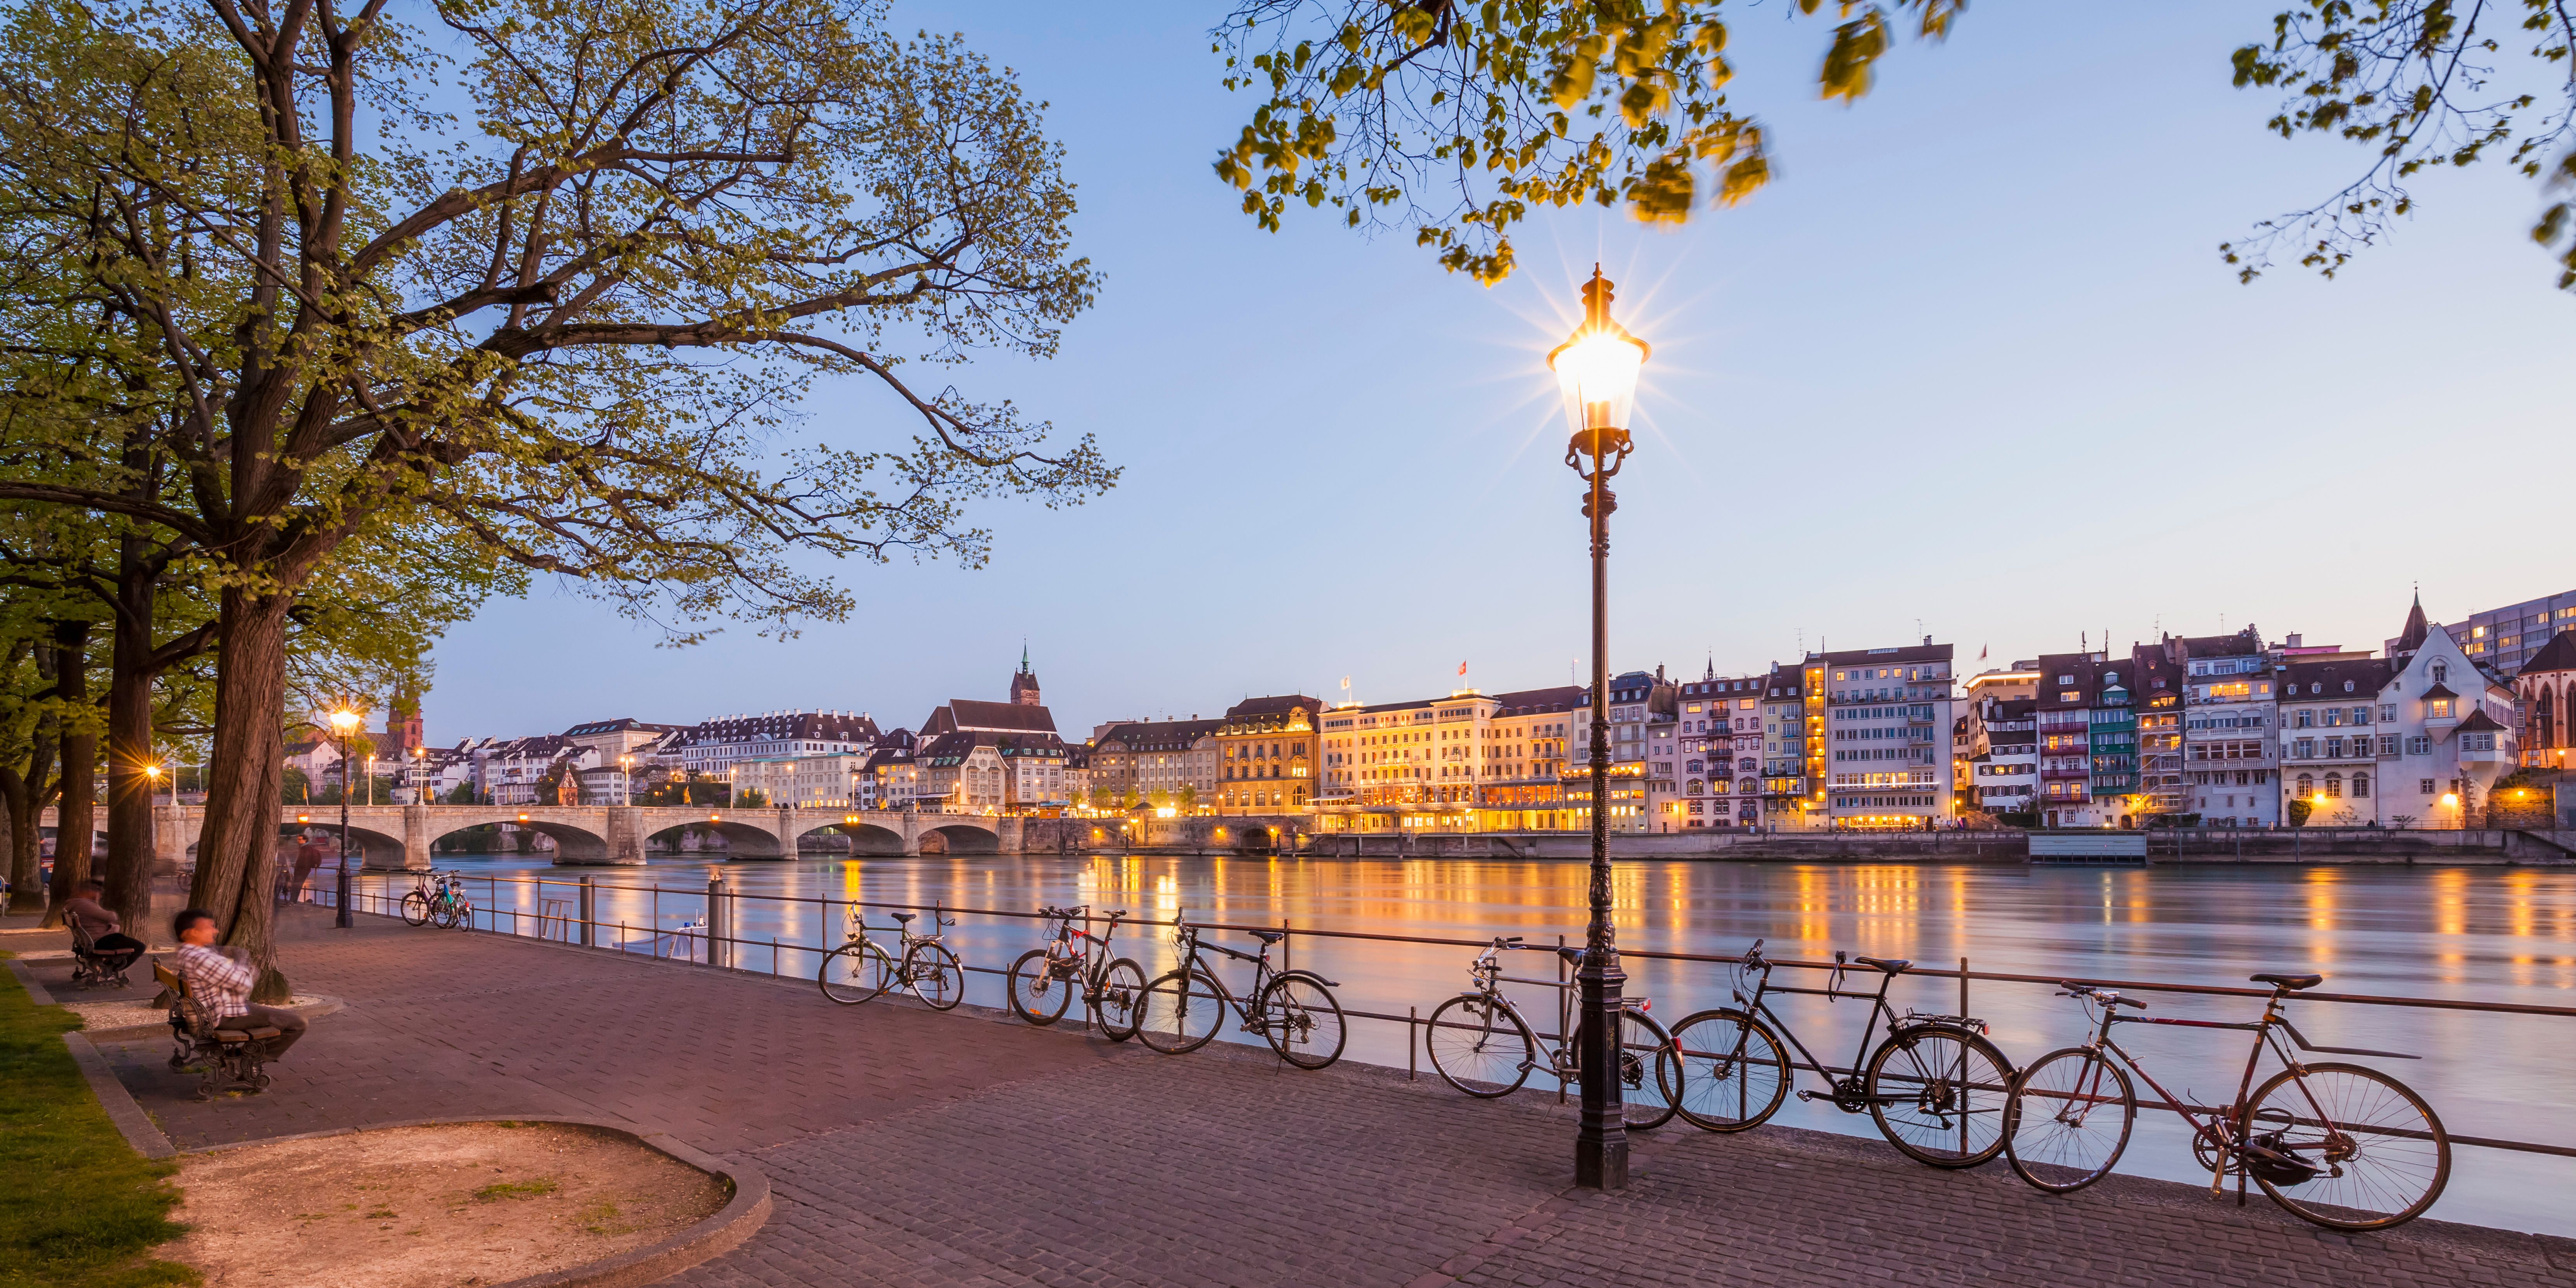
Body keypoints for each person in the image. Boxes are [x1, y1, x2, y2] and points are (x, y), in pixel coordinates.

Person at [170, 909, 306, 1061]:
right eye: (209, 927)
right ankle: (246, 1060)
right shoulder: (199, 958)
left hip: (213, 1010)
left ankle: (246, 1056)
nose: (216, 931)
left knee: (271, 1015)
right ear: (192, 933)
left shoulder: (185, 953)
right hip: (221, 1016)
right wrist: (243, 963)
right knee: (298, 1024)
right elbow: (244, 984)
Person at [64, 878, 144, 977]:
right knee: (140, 946)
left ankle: (107, 968)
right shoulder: (85, 905)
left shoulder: (76, 904)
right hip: (100, 940)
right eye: (99, 893)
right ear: (91, 892)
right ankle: (110, 970)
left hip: (91, 939)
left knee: (126, 940)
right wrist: (97, 902)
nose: (101, 895)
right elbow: (111, 917)